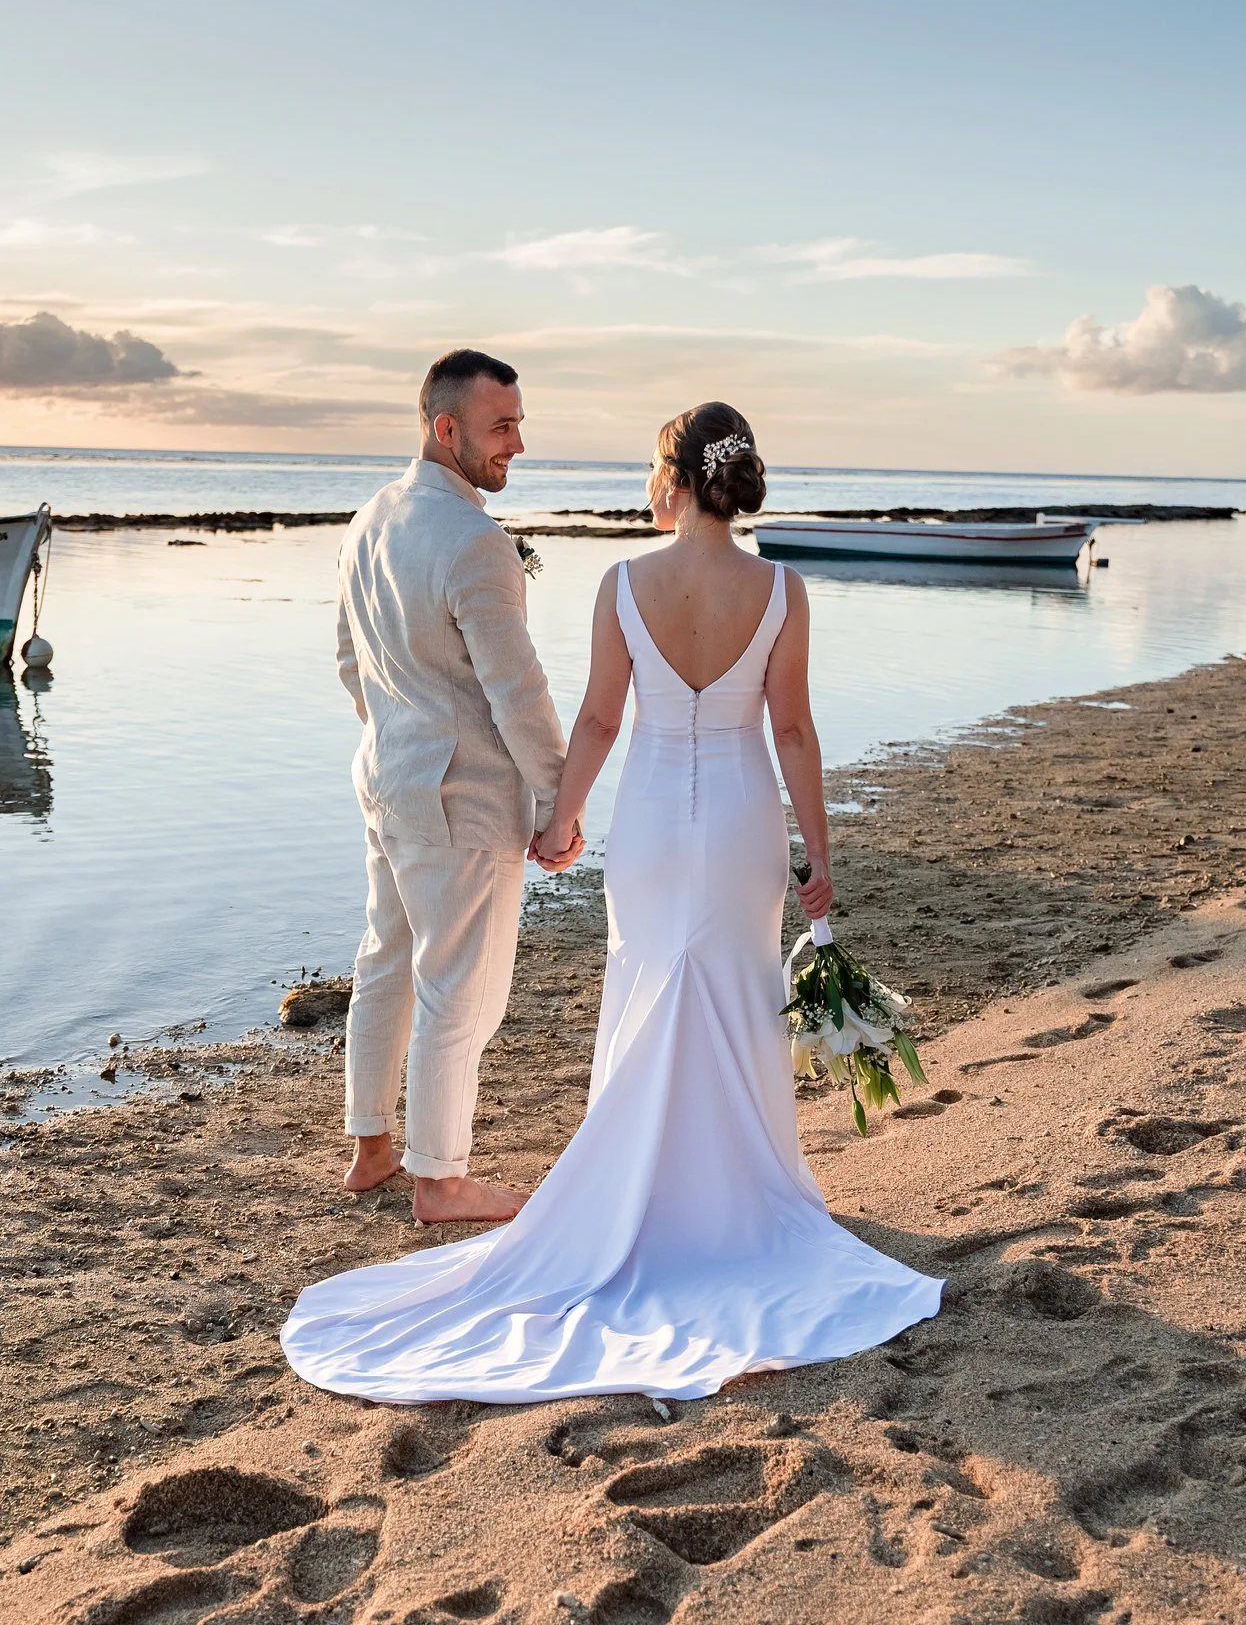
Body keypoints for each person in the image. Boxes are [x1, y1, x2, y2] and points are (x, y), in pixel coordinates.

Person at [284, 402, 942, 1402]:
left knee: (649, 985)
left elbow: (597, 716)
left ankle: (639, 1194)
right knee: (729, 991)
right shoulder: (780, 589)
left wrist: (559, 817)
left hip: (647, 824)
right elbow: (795, 732)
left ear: (671, 479)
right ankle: (734, 1198)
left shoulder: (624, 583)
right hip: (738, 818)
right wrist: (819, 848)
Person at [332, 349, 579, 1226]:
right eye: (501, 425)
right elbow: (519, 691)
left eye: (517, 421)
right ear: (446, 428)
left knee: (386, 960)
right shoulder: (476, 541)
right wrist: (559, 801)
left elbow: (347, 661)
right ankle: (440, 1179)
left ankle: (372, 1148)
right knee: (458, 987)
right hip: (459, 795)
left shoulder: (371, 518)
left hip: (387, 777)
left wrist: (396, 732)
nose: (517, 441)